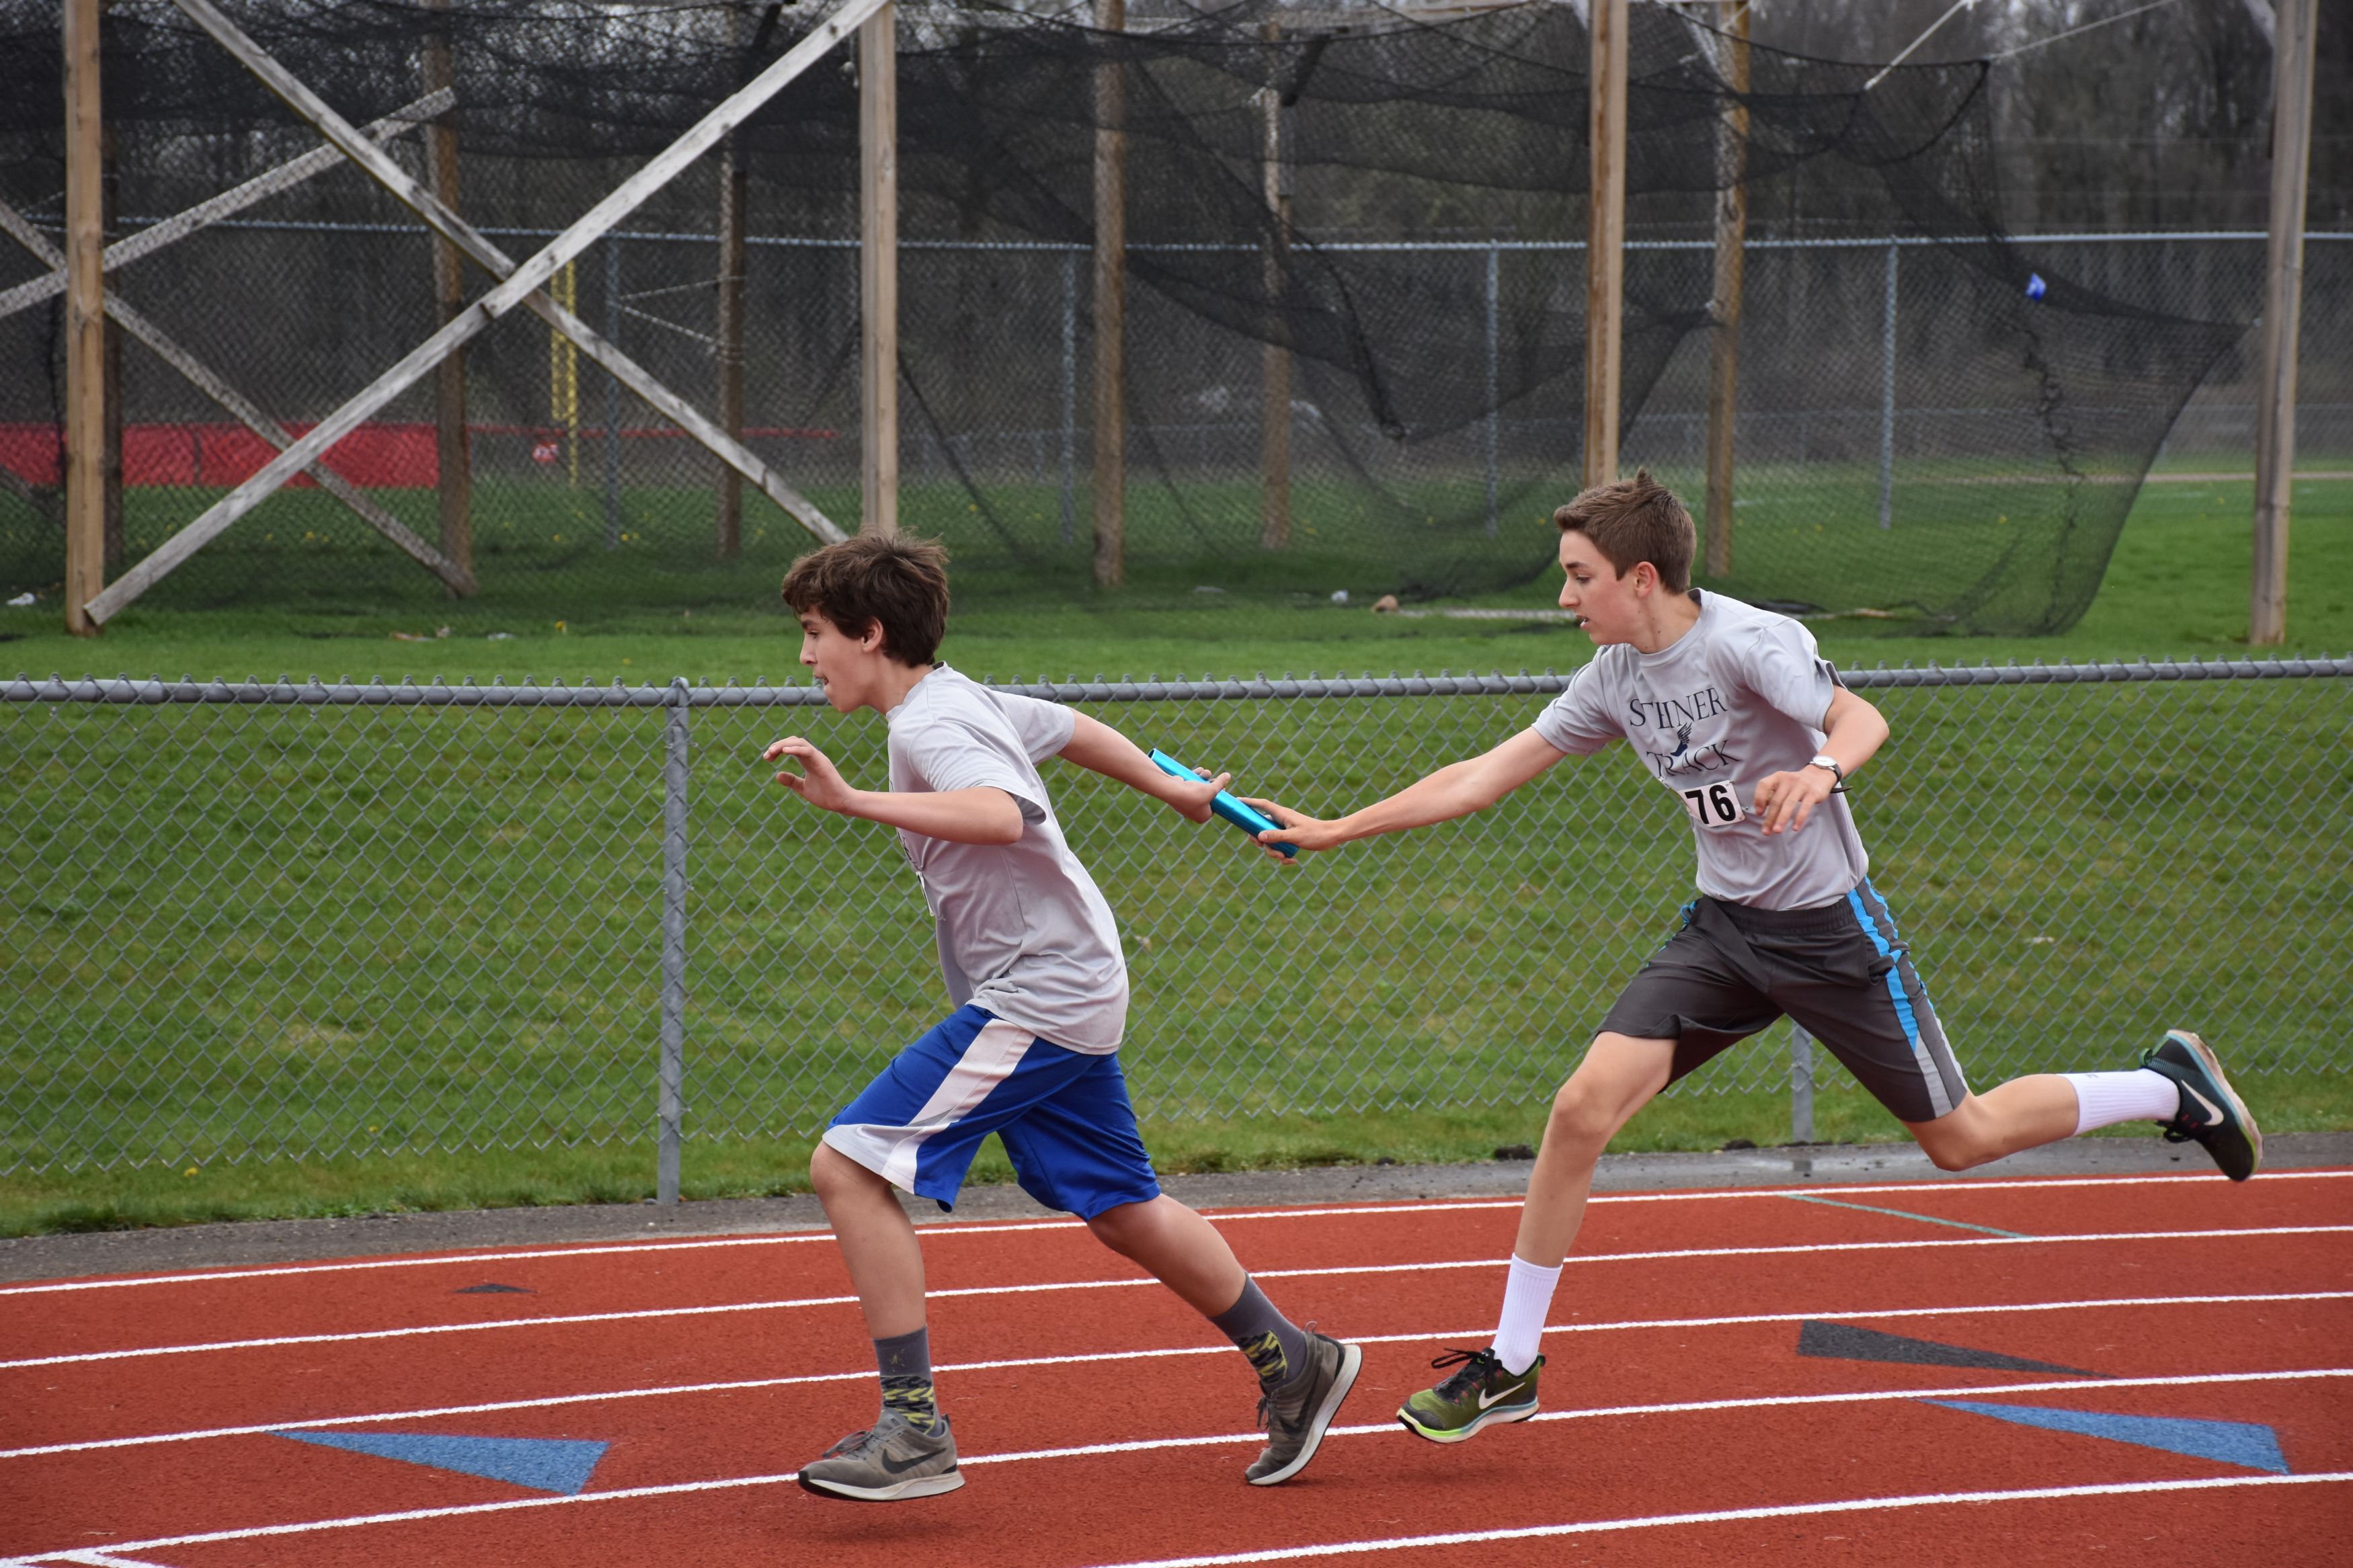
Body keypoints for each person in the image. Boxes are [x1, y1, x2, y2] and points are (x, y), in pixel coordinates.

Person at [1241, 470, 2261, 1446]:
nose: (1565, 596)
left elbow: (1863, 717)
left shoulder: (1749, 644)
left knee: (1962, 1135)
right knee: (1580, 1108)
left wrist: (1820, 770)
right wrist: (1335, 828)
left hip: (1828, 931)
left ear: (1641, 578)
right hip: (1725, 933)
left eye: (1580, 576)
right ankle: (1511, 1364)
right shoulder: (1614, 678)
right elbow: (1482, 776)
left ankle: (2169, 1089)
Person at [765, 534, 1361, 1502]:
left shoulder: (930, 728)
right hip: (1069, 986)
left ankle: (914, 1429)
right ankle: (1295, 1359)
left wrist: (851, 800)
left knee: (848, 1164)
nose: (805, 656)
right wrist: (1169, 786)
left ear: (871, 634)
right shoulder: (954, 698)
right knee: (1124, 1206)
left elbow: (1003, 812)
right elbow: (1066, 724)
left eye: (815, 633)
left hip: (1041, 993)